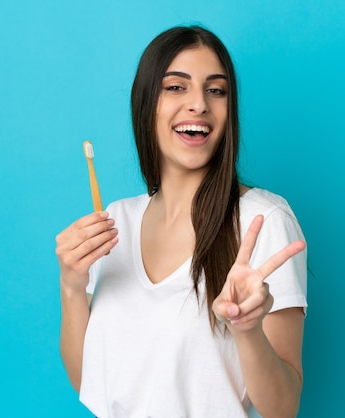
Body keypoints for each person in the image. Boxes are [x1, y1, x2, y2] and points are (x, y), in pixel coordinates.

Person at [56, 25, 307, 418]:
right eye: (176, 87)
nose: (199, 105)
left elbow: (283, 408)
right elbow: (90, 382)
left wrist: (248, 330)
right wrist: (71, 287)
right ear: (146, 104)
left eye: (216, 90)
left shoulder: (264, 220)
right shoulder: (115, 221)